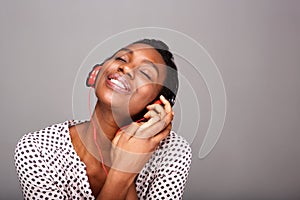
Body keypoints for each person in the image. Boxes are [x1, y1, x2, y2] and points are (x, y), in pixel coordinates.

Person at [14, 39, 192, 200]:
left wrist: (128, 163)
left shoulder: (172, 152)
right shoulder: (37, 149)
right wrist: (121, 173)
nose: (126, 68)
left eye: (145, 73)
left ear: (157, 104)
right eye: (121, 59)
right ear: (95, 75)